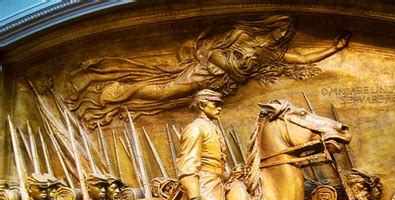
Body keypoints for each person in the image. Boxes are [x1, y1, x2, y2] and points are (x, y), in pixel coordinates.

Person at [67, 15, 350, 128]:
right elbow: (213, 51)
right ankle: (116, 92)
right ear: (272, 27)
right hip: (206, 74)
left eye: (287, 33)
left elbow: (302, 58)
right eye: (281, 29)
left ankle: (122, 93)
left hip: (217, 86)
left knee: (167, 97)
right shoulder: (243, 36)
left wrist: (333, 50)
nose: (283, 34)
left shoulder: (272, 54)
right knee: (168, 91)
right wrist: (234, 70)